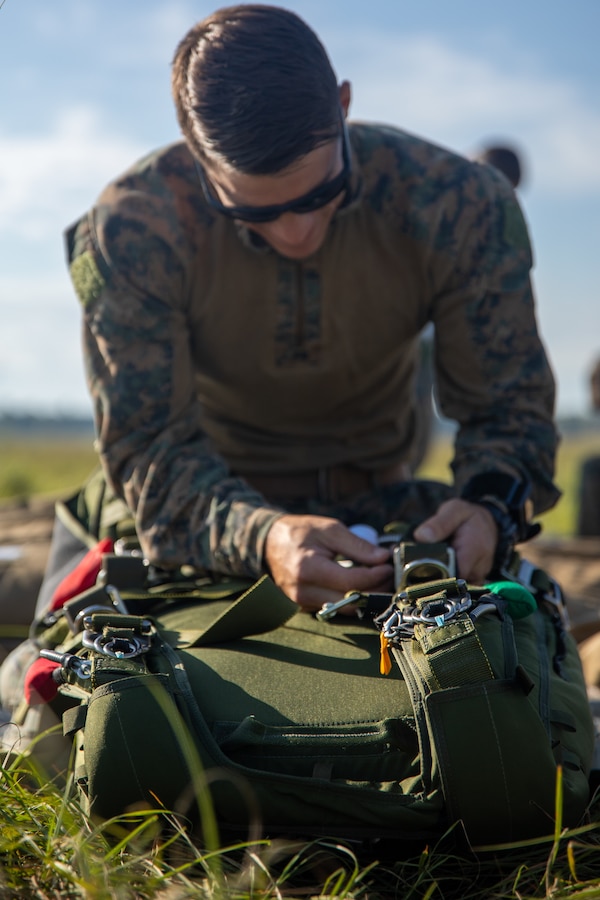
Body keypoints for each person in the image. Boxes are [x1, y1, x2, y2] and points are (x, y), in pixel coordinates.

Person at [60, 3, 559, 615]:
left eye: (323, 192)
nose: (297, 232)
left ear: (344, 106)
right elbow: (149, 453)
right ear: (197, 155)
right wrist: (262, 535)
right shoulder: (134, 230)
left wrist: (487, 506)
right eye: (256, 213)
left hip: (389, 504)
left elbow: (510, 412)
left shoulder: (454, 204)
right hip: (207, 512)